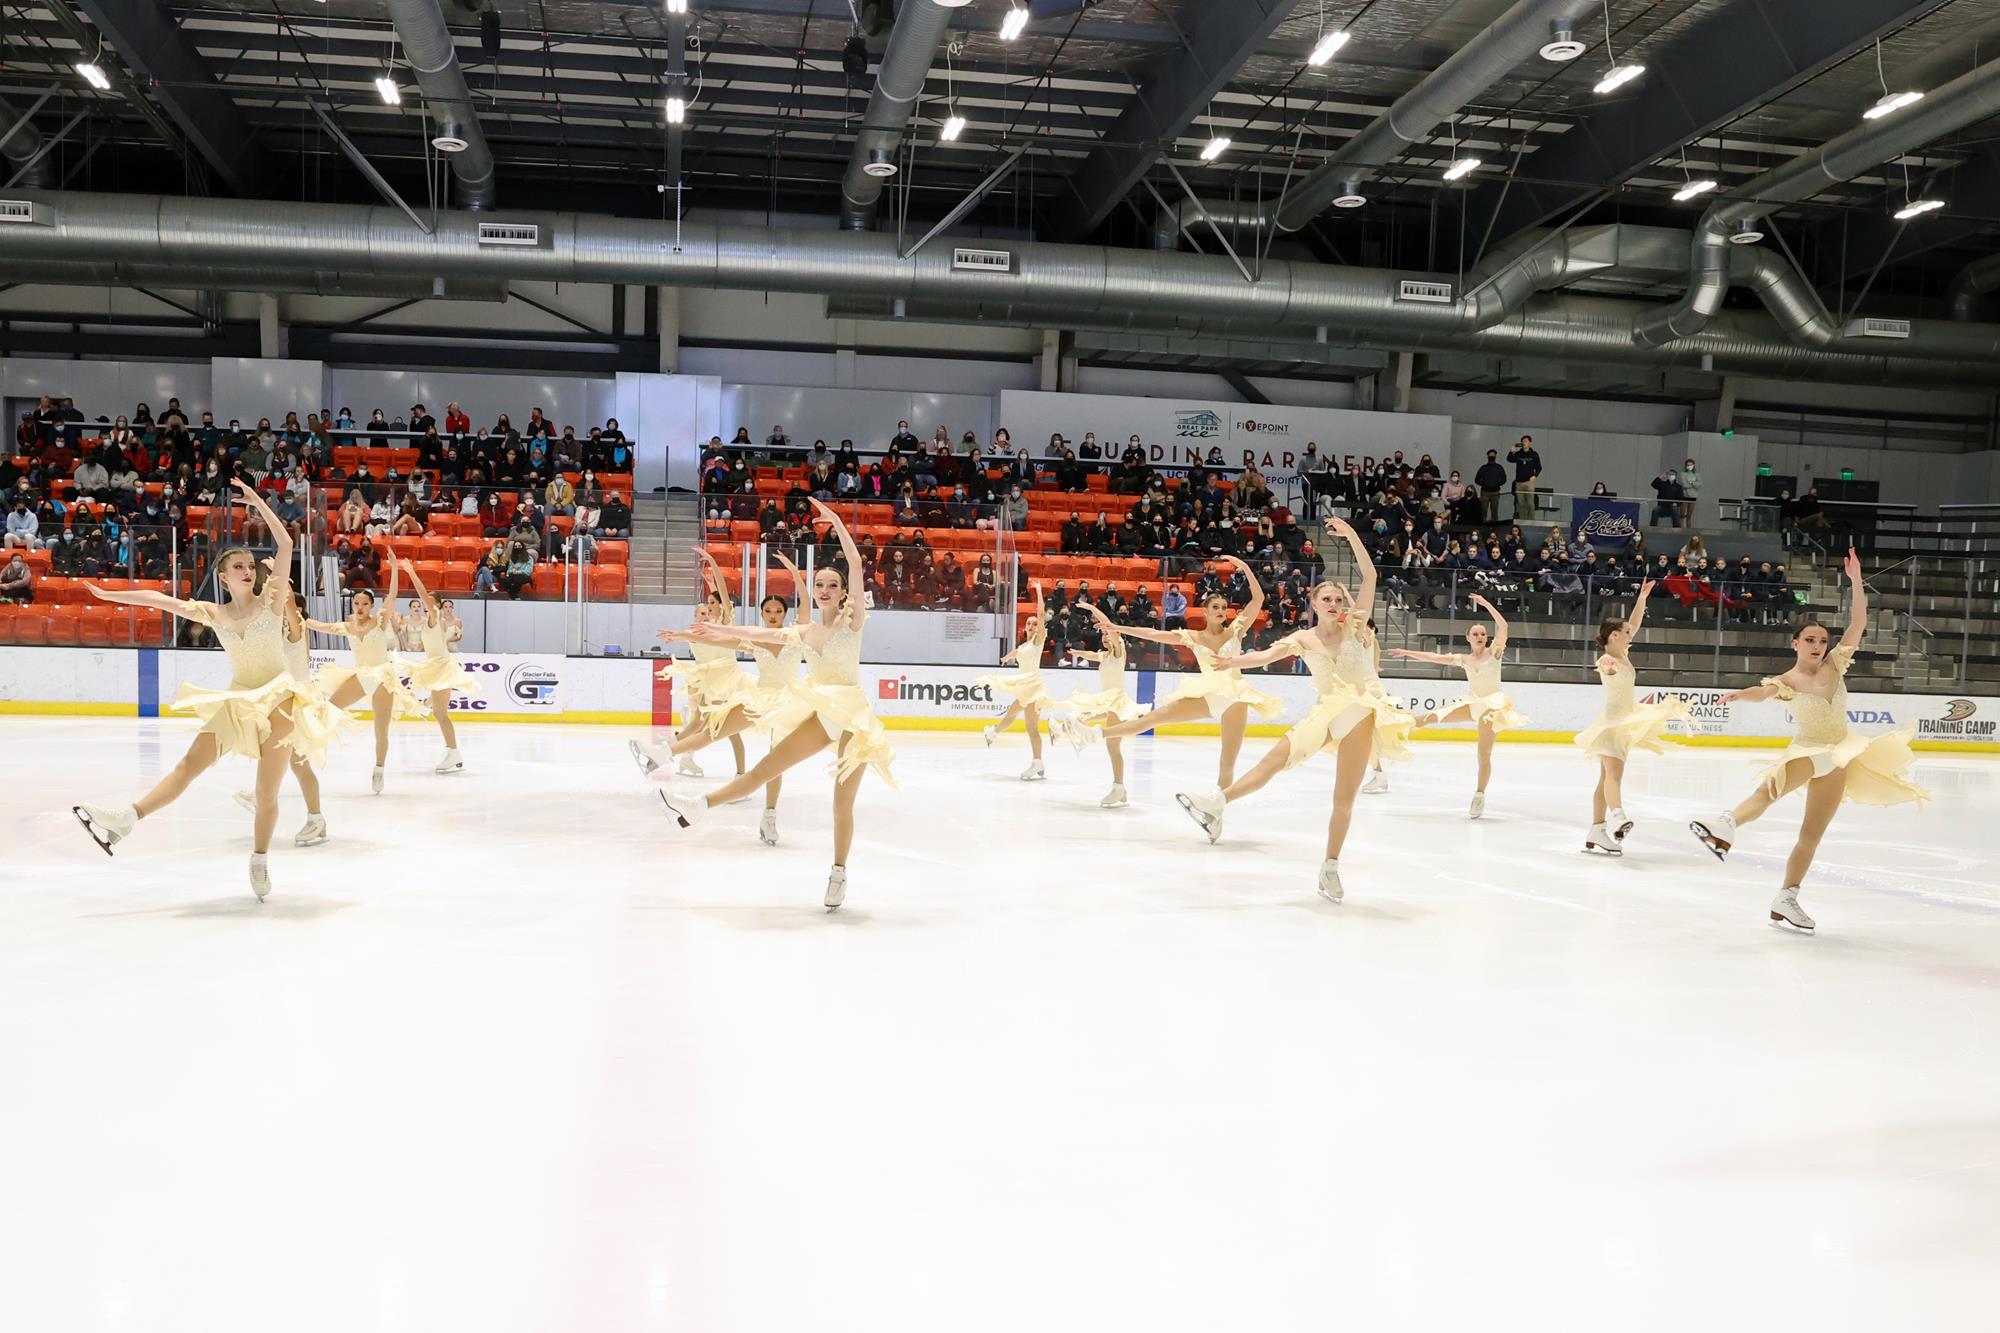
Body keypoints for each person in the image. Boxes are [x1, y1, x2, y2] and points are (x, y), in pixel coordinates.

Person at [72, 481, 341, 899]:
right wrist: (112, 593)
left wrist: (259, 503)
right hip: (238, 698)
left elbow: (286, 544)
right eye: (239, 567)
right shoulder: (212, 611)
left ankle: (259, 858)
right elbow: (160, 600)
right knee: (187, 766)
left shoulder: (271, 600)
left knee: (266, 791)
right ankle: (127, 818)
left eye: (251, 566)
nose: (248, 571)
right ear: (223, 575)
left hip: (281, 698)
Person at [658, 500, 896, 911]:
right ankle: (699, 807)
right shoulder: (804, 630)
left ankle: (838, 872)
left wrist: (837, 522)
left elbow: (855, 564)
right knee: (765, 770)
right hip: (821, 715)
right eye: (818, 585)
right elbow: (755, 632)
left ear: (842, 593)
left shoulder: (852, 621)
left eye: (831, 585)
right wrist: (716, 627)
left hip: (852, 719)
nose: (824, 590)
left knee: (841, 804)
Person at [1171, 520, 1414, 903]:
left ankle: (1330, 867)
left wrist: (1351, 533)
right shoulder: (1302, 637)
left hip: (1360, 713)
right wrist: (1230, 664)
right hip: (1325, 713)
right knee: (1273, 760)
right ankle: (1217, 803)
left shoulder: (1355, 626)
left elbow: (1369, 574)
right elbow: (1267, 654)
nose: (1334, 605)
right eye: (1326, 600)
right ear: (1314, 604)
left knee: (1343, 797)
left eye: (1338, 599)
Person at [1690, 550, 1928, 931]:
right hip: (1808, 749)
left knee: (1811, 835)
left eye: (1822, 640)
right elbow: (1762, 692)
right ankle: (1725, 824)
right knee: (1767, 794)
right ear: (1795, 644)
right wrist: (1739, 695)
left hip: (1838, 756)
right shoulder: (1789, 680)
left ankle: (1787, 898)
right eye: (1810, 640)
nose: (1818, 645)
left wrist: (1854, 580)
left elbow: (1859, 621)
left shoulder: (1836, 664)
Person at [1056, 555, 1279, 792]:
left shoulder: (1236, 630)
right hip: (1210, 695)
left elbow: (1258, 599)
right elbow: (1152, 634)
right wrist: (1118, 627)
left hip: (1235, 697)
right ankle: (1095, 734)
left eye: (1224, 607)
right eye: (1216, 607)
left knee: (1227, 762)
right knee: (1153, 718)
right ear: (1205, 611)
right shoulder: (1193, 637)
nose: (1221, 611)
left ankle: (1216, 809)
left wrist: (1244, 567)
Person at [632, 554, 808, 847]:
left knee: (776, 760)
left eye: (778, 610)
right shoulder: (755, 638)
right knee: (714, 728)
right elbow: (716, 640)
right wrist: (681, 634)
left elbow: (805, 606)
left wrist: (794, 573)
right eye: (768, 611)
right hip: (761, 697)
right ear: (763, 614)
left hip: (788, 702)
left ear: (785, 613)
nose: (774, 615)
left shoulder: (796, 634)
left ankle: (770, 814)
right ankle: (662, 754)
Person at [1574, 579, 1688, 855]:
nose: (1631, 634)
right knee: (1614, 774)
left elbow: (1634, 622)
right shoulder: (1607, 659)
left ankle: (1597, 830)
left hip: (1625, 722)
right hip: (1613, 722)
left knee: (1605, 779)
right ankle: (1618, 815)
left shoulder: (1622, 651)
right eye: (1626, 632)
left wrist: (1642, 597)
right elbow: (1604, 667)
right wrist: (1609, 668)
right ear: (1614, 635)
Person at [1389, 593, 1529, 817]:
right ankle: (1390, 729)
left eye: (1483, 633)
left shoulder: (1495, 652)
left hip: (1492, 706)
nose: (1480, 636)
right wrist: (1408, 652)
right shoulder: (1464, 659)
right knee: (1431, 717)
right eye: (1476, 634)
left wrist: (1486, 604)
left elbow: (1503, 626)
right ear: (1469, 638)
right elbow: (1434, 657)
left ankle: (1480, 794)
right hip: (1474, 703)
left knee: (1483, 754)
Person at [311, 558, 426, 796]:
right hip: (361, 676)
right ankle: (304, 747)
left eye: (364, 603)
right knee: (328, 708)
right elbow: (320, 626)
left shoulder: (380, 621)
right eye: (356, 603)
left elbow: (392, 596)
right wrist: (297, 619)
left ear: (371, 606)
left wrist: (394, 568)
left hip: (383, 677)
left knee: (380, 730)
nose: (360, 607)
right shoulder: (348, 626)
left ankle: (379, 768)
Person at [648, 553, 754, 781]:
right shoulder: (704, 629)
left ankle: (740, 774)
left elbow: (723, 595)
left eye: (713, 604)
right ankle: (664, 753)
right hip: (709, 681)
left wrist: (713, 565)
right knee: (700, 724)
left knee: (729, 732)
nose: (710, 606)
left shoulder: (726, 624)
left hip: (728, 681)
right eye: (708, 604)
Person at [395, 559, 474, 774]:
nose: (425, 602)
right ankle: (451, 750)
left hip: (441, 665)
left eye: (429, 600)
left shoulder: (435, 615)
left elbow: (421, 594)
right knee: (439, 711)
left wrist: (411, 572)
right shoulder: (430, 620)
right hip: (437, 664)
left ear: (436, 604)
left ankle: (454, 753)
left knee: (441, 714)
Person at [977, 580, 1053, 781]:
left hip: (1034, 688)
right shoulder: (1024, 645)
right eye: (1028, 623)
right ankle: (993, 733)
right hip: (1024, 687)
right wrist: (1005, 658)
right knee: (1011, 715)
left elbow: (1041, 614)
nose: (1031, 625)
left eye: (1034, 623)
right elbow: (1016, 652)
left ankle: (1037, 762)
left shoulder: (1038, 640)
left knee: (1032, 728)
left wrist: (1037, 591)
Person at [1057, 633, 1141, 808]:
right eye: (1103, 635)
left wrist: (1094, 611)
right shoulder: (1105, 655)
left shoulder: (1119, 653)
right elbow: (1091, 655)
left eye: (1108, 635)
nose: (1105, 637)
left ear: (1117, 638)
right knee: (1081, 716)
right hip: (1107, 702)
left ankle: (1119, 788)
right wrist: (1078, 653)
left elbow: (1112, 633)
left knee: (1113, 747)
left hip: (1117, 702)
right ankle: (1062, 729)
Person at [1508, 435, 1542, 521]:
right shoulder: (1519, 453)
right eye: (1523, 441)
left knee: (1530, 502)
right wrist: (1511, 451)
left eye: (1526, 441)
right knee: (1521, 503)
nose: (1524, 443)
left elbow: (1539, 467)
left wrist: (1535, 475)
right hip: (1519, 482)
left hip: (1529, 482)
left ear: (1530, 443)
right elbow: (1510, 459)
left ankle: (1531, 520)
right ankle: (1522, 520)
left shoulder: (1534, 454)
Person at [1473, 449, 1508, 524]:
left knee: (1494, 510)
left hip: (1495, 492)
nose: (1492, 456)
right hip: (1485, 491)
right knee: (1483, 510)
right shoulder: (1483, 468)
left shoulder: (1499, 467)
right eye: (1490, 455)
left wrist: (1497, 483)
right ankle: (1482, 524)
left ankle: (1495, 525)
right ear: (1488, 456)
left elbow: (1504, 478)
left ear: (1495, 456)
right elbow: (1476, 479)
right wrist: (1484, 484)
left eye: (1493, 455)